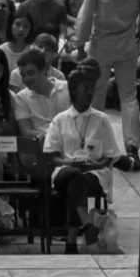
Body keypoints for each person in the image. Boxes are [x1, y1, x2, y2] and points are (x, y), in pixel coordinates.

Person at [73, 0, 140, 169]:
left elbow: (86, 16)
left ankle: (96, 146)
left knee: (98, 93)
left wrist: (79, 43)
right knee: (128, 96)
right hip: (127, 44)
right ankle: (132, 148)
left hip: (100, 45)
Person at [44, 59, 121, 253]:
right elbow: (52, 156)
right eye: (85, 88)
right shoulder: (60, 120)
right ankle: (86, 227)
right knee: (73, 176)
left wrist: (91, 166)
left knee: (76, 183)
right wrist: (69, 161)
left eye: (91, 88)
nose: (90, 92)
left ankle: (72, 242)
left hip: (94, 174)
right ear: (74, 90)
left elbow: (109, 157)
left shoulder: (101, 119)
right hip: (64, 170)